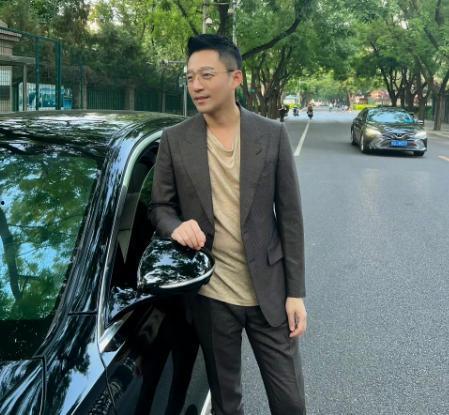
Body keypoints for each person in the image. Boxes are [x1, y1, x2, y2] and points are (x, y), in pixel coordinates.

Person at [149, 34, 307, 415]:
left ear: (236, 78)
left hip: (268, 291)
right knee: (226, 402)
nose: (196, 86)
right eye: (190, 77)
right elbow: (160, 207)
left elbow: (290, 218)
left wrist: (296, 293)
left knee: (289, 401)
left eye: (206, 75)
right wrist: (175, 227)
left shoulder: (272, 135)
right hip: (212, 295)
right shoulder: (175, 140)